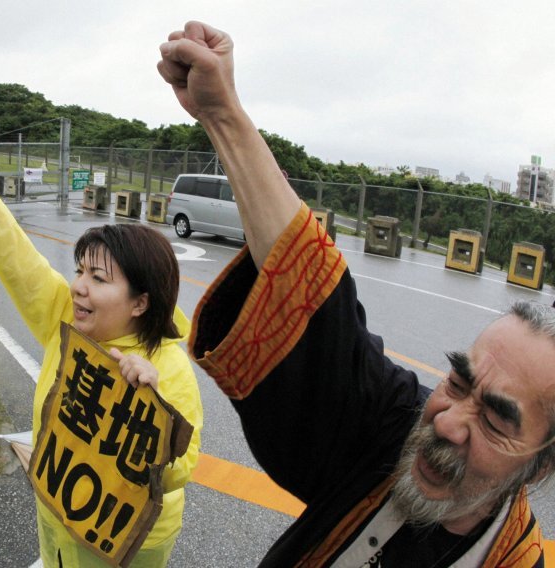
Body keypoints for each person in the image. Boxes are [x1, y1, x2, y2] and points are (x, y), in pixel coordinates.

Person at [159, 21, 555, 567]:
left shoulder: (516, 560)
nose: (444, 421)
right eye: (458, 382)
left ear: (539, 465)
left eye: (494, 420)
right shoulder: (396, 424)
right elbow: (311, 298)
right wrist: (221, 112)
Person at [0, 138, 203, 568]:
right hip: (57, 515)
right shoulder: (69, 322)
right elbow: (15, 257)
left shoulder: (166, 367)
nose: (79, 286)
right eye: (80, 271)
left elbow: (180, 468)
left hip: (124, 544)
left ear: (140, 302)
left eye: (98, 277)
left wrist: (151, 408)